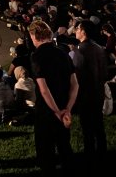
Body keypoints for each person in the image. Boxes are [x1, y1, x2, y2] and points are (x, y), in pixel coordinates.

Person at [29, 19, 78, 177]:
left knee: (45, 152)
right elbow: (75, 85)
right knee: (65, 147)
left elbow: (44, 90)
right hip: (65, 107)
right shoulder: (63, 53)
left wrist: (57, 111)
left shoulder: (37, 56)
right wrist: (67, 110)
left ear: (35, 36)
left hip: (47, 111)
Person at [74, 19, 108, 169]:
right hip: (98, 92)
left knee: (87, 128)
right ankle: (102, 152)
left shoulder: (80, 51)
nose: (75, 31)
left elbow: (77, 76)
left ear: (83, 32)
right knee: (98, 125)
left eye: (77, 29)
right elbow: (104, 72)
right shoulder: (99, 48)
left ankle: (90, 156)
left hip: (86, 95)